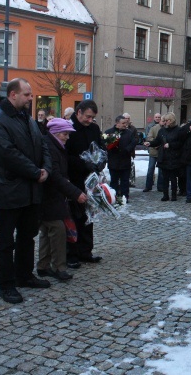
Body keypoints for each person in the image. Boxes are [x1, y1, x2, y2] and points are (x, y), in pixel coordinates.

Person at [0, 78, 52, 304]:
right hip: (10, 189)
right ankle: (6, 285)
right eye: (27, 94)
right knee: (5, 241)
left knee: (27, 236)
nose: (31, 98)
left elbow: (43, 145)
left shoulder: (27, 118)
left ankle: (24, 275)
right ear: (13, 95)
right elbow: (8, 154)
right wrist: (36, 172)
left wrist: (46, 169)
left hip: (32, 190)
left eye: (31, 94)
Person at [38, 118, 88, 282]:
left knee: (47, 231)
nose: (67, 137)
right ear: (56, 133)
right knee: (58, 230)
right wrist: (75, 193)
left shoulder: (54, 145)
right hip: (50, 197)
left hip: (50, 196)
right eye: (65, 134)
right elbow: (56, 177)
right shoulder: (51, 148)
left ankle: (43, 266)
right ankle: (59, 267)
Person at [66, 99, 104, 266]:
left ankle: (85, 251)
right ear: (78, 112)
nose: (90, 120)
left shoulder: (94, 128)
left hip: (91, 179)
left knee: (88, 216)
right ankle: (71, 255)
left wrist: (102, 161)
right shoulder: (67, 127)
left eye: (92, 117)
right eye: (88, 117)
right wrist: (83, 163)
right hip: (73, 179)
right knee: (73, 217)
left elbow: (101, 148)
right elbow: (64, 155)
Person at [145, 113, 183, 201]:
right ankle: (165, 195)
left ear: (172, 120)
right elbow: (157, 141)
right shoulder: (162, 131)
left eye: (167, 120)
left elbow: (181, 143)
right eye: (165, 121)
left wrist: (171, 145)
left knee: (173, 178)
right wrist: (150, 143)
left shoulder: (178, 130)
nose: (165, 122)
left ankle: (174, 195)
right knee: (164, 177)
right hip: (164, 156)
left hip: (174, 157)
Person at [105, 115, 137, 202]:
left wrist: (128, 149)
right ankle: (113, 197)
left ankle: (124, 197)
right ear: (117, 123)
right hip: (113, 161)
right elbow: (104, 144)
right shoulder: (108, 132)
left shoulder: (129, 133)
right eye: (123, 123)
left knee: (125, 182)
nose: (125, 125)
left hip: (125, 161)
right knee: (114, 181)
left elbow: (134, 142)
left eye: (126, 123)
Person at [143, 116, 165, 192]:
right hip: (153, 152)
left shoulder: (166, 129)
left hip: (162, 153)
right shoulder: (154, 128)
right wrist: (156, 143)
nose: (163, 122)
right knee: (150, 170)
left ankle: (160, 186)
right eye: (162, 120)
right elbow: (149, 137)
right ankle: (148, 186)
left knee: (161, 171)